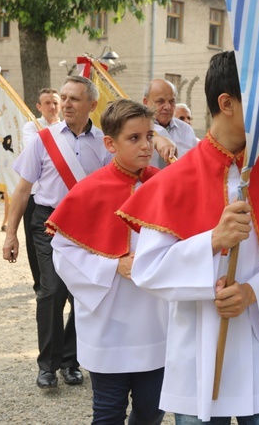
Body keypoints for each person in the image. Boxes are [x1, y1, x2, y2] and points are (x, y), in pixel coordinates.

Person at [117, 50, 259, 423]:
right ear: (227, 103)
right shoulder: (177, 180)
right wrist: (212, 240)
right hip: (199, 349)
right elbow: (147, 269)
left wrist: (251, 293)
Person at [48, 99, 167, 424]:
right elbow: (63, 253)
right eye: (134, 138)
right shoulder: (89, 191)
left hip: (155, 321)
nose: (146, 145)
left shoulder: (163, 186)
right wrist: (114, 265)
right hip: (108, 322)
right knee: (108, 412)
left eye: (149, 136)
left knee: (151, 409)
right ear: (110, 143)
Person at [2, 76, 112, 389]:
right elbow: (22, 191)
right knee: (51, 292)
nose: (65, 104)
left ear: (92, 105)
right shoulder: (43, 139)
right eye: (63, 98)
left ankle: (70, 360)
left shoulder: (104, 144)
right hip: (48, 222)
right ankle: (47, 366)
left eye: (74, 99)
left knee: (83, 293)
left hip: (87, 226)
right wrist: (11, 234)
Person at [22, 88, 62, 293]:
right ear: (39, 107)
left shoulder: (67, 127)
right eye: (47, 103)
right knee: (34, 240)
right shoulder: (31, 127)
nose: (52, 106)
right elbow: (34, 151)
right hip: (35, 194)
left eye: (55, 102)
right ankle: (39, 283)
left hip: (60, 196)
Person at [143, 79, 197, 168]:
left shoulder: (186, 130)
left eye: (172, 101)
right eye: (160, 101)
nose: (167, 107)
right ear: (146, 102)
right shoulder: (137, 129)